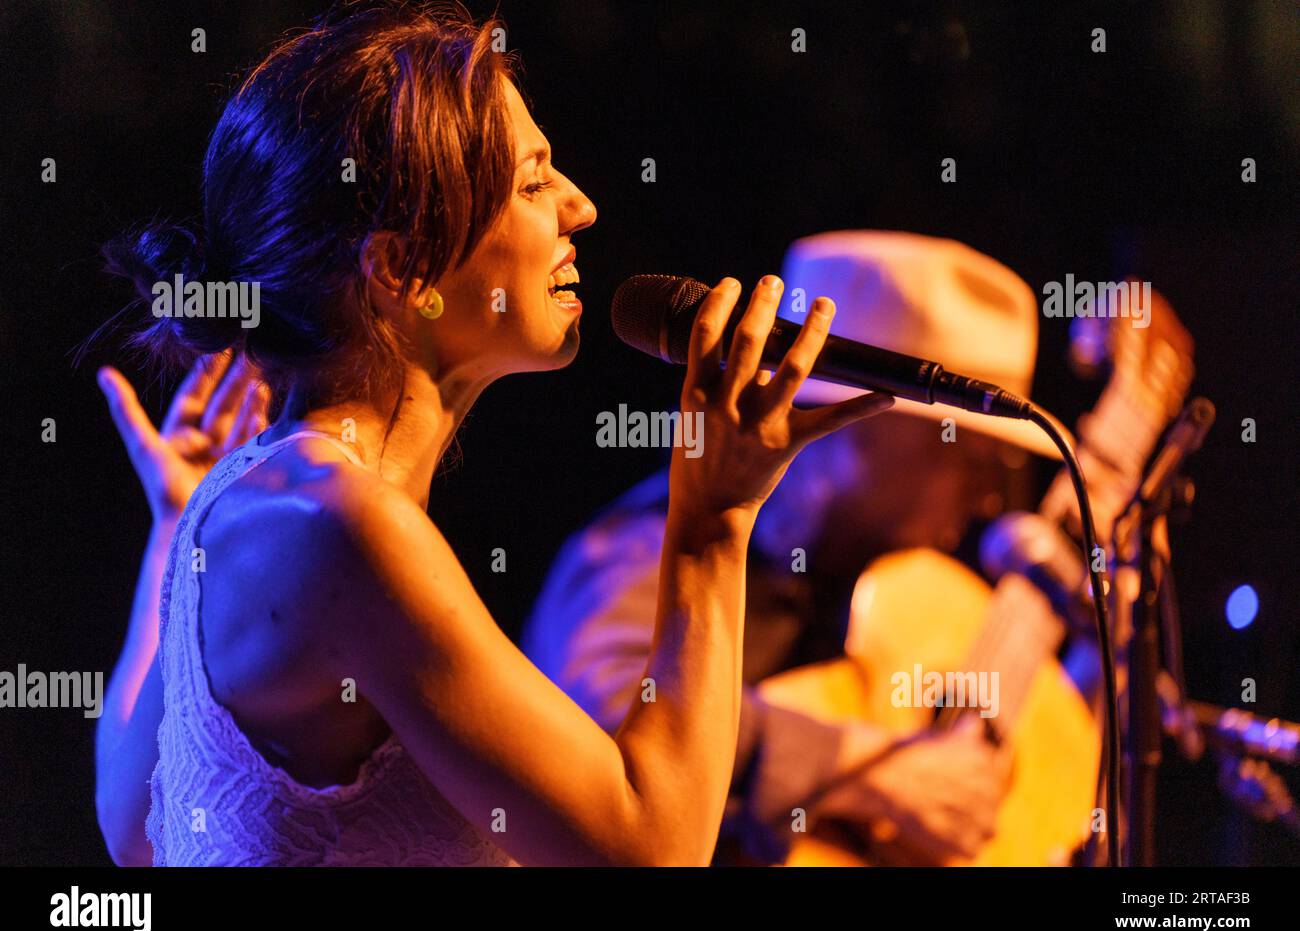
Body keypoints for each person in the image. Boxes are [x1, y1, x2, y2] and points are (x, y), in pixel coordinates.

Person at [92, 3, 894, 867]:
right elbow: (651, 850)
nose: (581, 207)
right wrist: (713, 524)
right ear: (401, 267)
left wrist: (175, 524)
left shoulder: (257, 500)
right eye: (533, 182)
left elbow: (133, 825)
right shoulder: (338, 527)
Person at [524, 231, 1069, 865]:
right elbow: (606, 708)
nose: (988, 500)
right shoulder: (649, 545)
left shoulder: (879, 583)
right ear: (854, 422)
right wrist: (863, 767)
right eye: (969, 455)